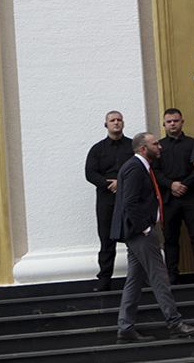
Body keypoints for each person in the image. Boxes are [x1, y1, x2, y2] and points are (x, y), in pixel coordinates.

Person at [110, 132, 194, 343]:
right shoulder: (135, 167)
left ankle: (125, 327)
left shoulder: (139, 166)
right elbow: (130, 202)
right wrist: (145, 228)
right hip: (140, 233)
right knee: (159, 277)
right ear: (143, 149)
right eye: (155, 144)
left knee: (134, 281)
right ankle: (174, 323)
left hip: (136, 233)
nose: (159, 147)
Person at [154, 108, 194, 281]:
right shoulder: (158, 146)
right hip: (169, 199)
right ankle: (171, 274)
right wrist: (171, 185)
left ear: (182, 122)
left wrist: (184, 184)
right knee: (170, 238)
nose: (172, 124)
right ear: (164, 124)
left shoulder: (193, 144)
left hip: (191, 196)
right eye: (169, 121)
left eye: (175, 121)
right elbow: (155, 171)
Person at [84, 110, 133, 292]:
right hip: (106, 200)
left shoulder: (132, 146)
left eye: (119, 120)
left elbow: (141, 168)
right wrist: (108, 184)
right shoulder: (97, 149)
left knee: (133, 239)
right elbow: (90, 173)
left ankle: (137, 279)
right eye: (112, 120)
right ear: (106, 124)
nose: (116, 123)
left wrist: (122, 183)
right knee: (106, 241)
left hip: (129, 198)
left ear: (123, 123)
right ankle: (104, 281)